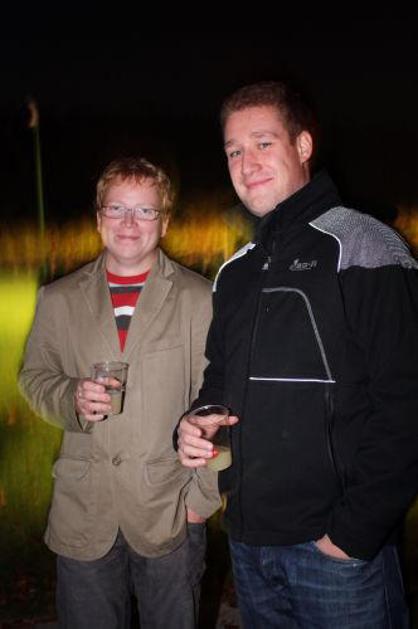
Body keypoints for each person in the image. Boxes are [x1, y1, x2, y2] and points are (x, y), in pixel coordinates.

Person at [177, 81, 418, 628]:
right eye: (234, 151)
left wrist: (351, 535)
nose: (247, 164)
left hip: (337, 554)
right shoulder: (236, 271)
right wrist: (193, 424)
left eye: (263, 143)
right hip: (250, 545)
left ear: (303, 145)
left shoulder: (365, 245)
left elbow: (407, 403)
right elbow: (219, 381)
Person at [19, 156, 220, 628]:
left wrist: (200, 503)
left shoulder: (199, 298)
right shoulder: (58, 298)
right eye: (117, 209)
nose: (129, 223)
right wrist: (70, 396)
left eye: (145, 210)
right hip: (83, 512)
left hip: (169, 512)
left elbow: (217, 403)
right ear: (98, 218)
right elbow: (34, 377)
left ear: (164, 222)